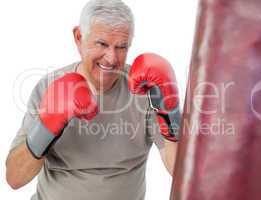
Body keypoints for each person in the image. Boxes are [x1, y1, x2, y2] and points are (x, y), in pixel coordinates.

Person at [5, 0, 180, 200]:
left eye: (121, 47)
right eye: (102, 44)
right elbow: (14, 178)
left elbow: (179, 171)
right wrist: (47, 126)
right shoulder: (49, 87)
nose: (112, 58)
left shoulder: (146, 90)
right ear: (79, 38)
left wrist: (171, 111)